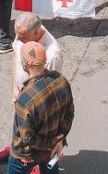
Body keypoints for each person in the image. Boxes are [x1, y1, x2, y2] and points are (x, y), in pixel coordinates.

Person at [0, 13, 64, 164]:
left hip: (38, 106)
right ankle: (16, 150)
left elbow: (50, 91)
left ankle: (39, 162)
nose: (18, 38)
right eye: (16, 34)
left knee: (38, 134)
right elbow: (16, 60)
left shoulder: (52, 55)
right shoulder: (24, 35)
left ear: (36, 33)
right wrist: (15, 89)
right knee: (20, 128)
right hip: (22, 98)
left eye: (22, 36)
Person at [6, 40, 74, 174]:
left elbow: (28, 139)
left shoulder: (25, 99)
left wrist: (52, 142)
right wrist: (59, 140)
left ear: (25, 65)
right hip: (50, 150)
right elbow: (69, 113)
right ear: (45, 61)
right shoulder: (61, 81)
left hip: (25, 156)